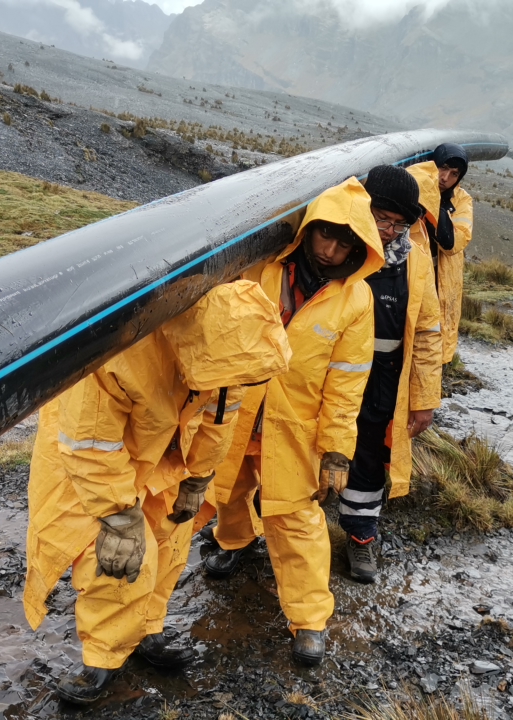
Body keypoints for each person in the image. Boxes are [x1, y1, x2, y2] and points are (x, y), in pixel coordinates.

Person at [23, 280, 291, 705]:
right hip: (91, 464)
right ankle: (103, 657)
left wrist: (198, 478)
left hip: (168, 455)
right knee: (113, 557)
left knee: (170, 540)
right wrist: (118, 514)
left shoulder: (231, 353)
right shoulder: (118, 352)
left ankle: (148, 627)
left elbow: (221, 415)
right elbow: (90, 444)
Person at [202, 177, 383, 667]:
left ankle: (308, 620)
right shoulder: (262, 267)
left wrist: (337, 449)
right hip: (237, 409)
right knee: (230, 484)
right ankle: (232, 540)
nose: (330, 249)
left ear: (359, 246)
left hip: (295, 424)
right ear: (309, 229)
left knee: (297, 519)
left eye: (345, 241)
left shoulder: (356, 300)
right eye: (325, 233)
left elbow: (348, 382)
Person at [339, 165, 443, 583]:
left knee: (368, 455)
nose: (388, 230)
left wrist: (424, 399)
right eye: (382, 218)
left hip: (383, 378)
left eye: (399, 223)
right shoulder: (336, 245)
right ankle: (255, 532)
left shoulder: (416, 262)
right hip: (324, 376)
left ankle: (360, 537)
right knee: (296, 448)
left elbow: (428, 331)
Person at [432, 143, 474, 364]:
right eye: (443, 168)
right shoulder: (413, 188)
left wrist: (438, 204)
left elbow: (454, 242)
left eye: (454, 173)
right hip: (413, 279)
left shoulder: (462, 200)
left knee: (437, 347)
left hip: (443, 282)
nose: (445, 177)